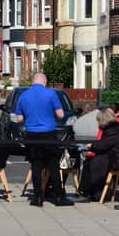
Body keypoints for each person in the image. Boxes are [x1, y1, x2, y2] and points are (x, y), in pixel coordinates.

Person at [15, 73, 73, 207]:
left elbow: (19, 119)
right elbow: (61, 114)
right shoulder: (51, 94)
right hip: (49, 134)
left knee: (36, 167)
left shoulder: (23, 96)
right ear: (44, 82)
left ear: (33, 82)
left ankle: (37, 197)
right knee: (53, 166)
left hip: (32, 135)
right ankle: (58, 197)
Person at [78, 108, 119, 201]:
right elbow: (107, 144)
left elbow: (103, 145)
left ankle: (88, 191)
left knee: (90, 162)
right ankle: (92, 190)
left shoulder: (111, 130)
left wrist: (91, 146)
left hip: (117, 161)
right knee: (94, 160)